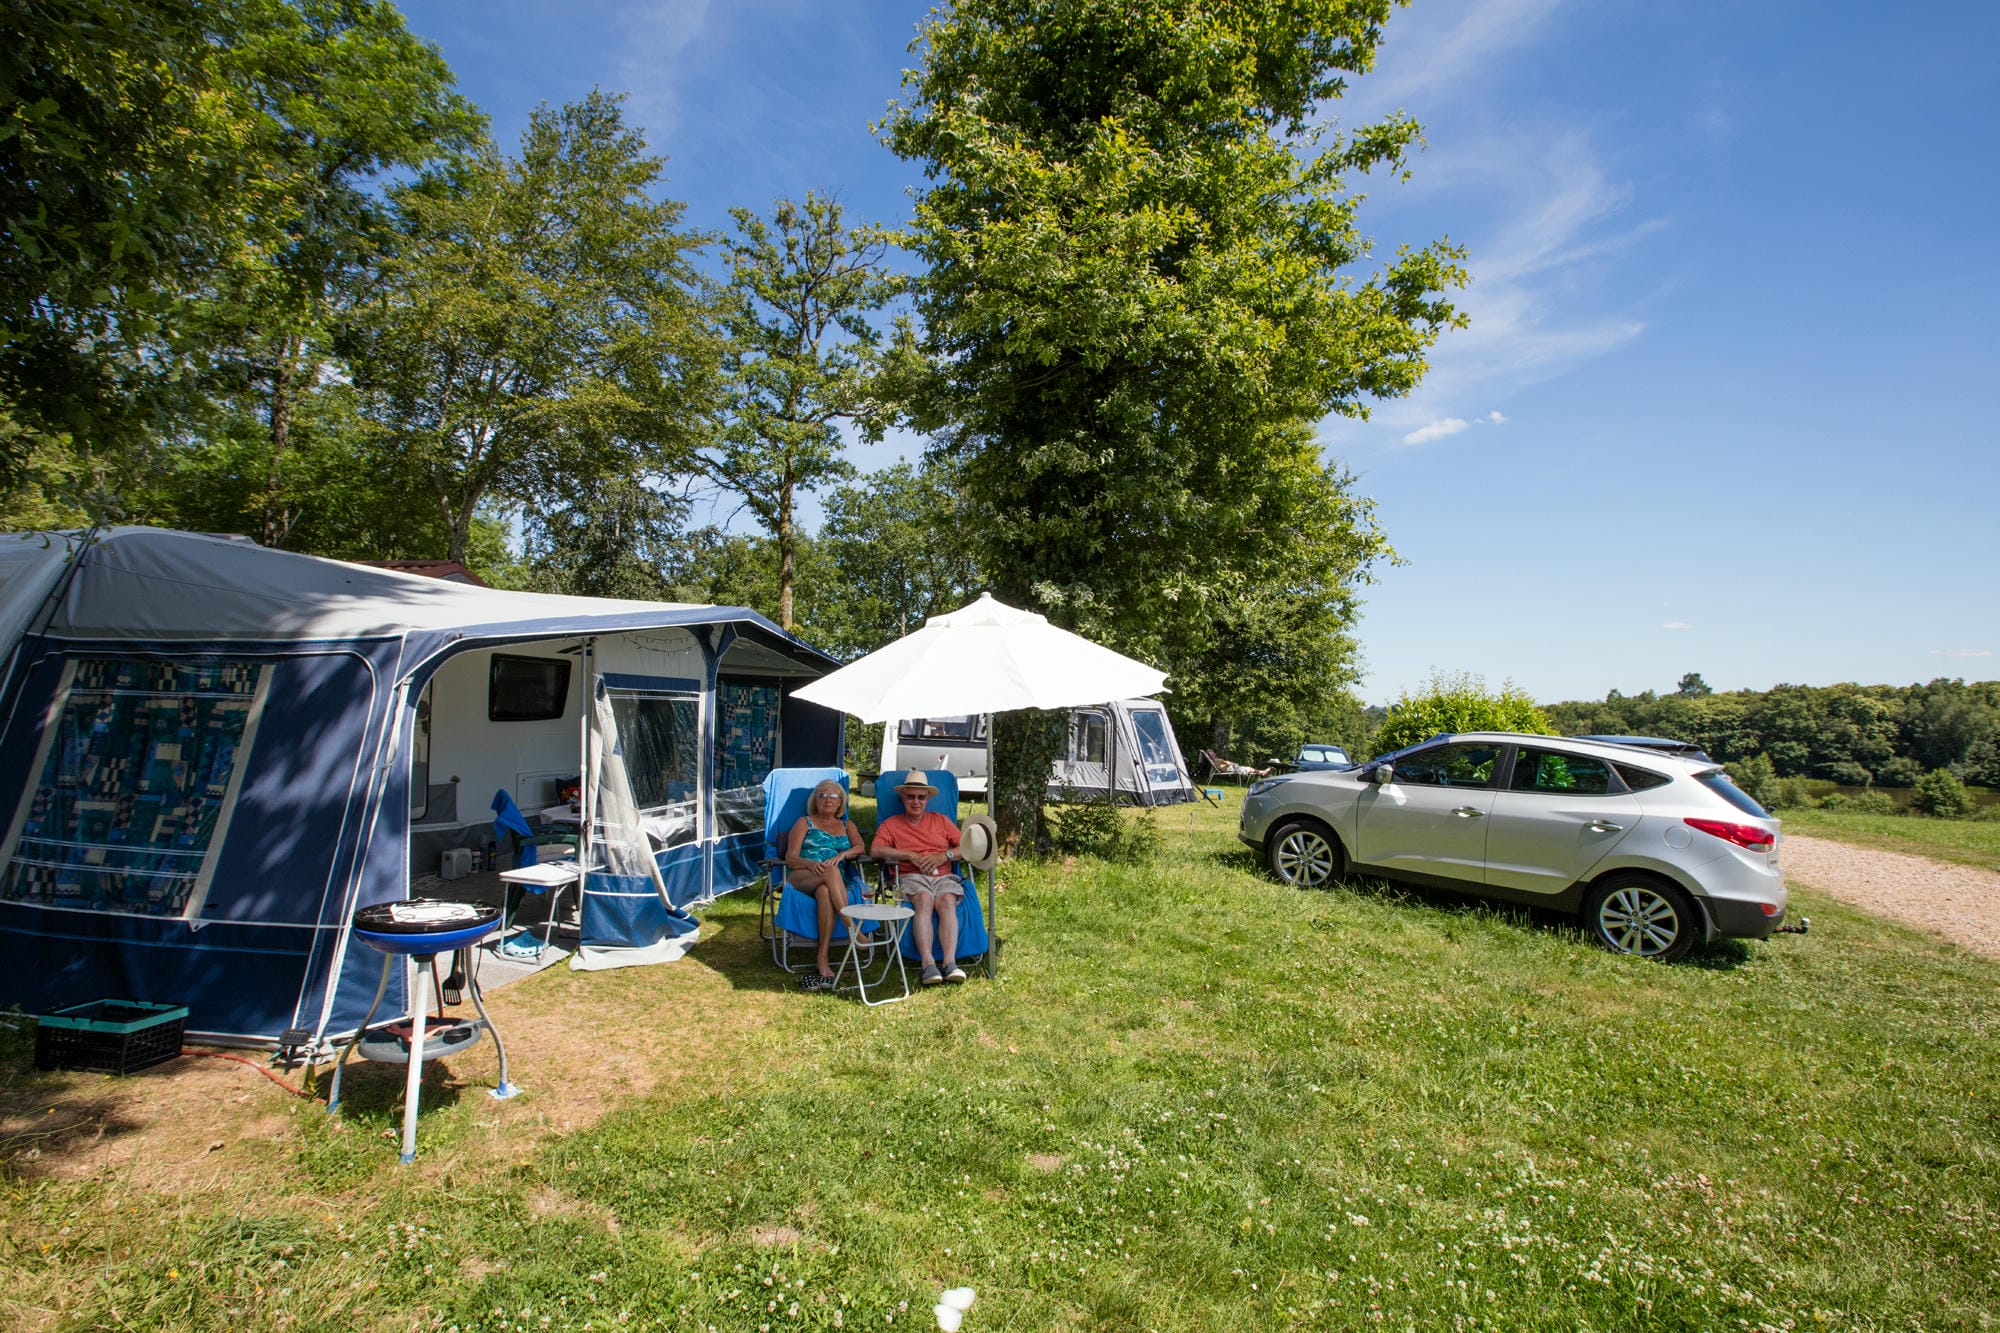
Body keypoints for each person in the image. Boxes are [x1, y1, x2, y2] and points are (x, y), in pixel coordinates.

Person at [870, 767, 965, 986]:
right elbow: (875, 850)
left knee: (947, 901)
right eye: (910, 796)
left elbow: (966, 847)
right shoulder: (891, 824)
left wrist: (945, 855)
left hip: (942, 875)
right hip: (910, 876)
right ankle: (928, 963)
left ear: (927, 799)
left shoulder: (940, 821)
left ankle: (950, 963)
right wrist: (909, 855)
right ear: (902, 797)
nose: (916, 801)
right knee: (924, 899)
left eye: (921, 797)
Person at [785, 777, 866, 992]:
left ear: (841, 802)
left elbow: (860, 847)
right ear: (815, 800)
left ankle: (822, 958)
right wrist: (809, 863)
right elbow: (790, 858)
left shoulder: (846, 824)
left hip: (832, 882)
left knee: (824, 892)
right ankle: (851, 927)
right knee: (828, 871)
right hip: (802, 876)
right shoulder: (804, 822)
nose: (828, 800)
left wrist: (843, 854)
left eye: (833, 796)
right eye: (823, 796)